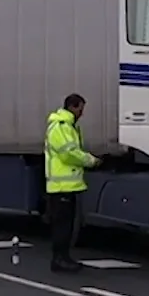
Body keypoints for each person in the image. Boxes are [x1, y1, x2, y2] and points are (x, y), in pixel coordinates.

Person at [43, 93, 99, 273]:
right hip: (61, 187)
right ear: (72, 107)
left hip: (67, 186)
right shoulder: (60, 127)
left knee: (66, 226)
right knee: (62, 226)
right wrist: (90, 161)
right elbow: (69, 154)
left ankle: (63, 258)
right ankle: (59, 260)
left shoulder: (69, 126)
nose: (82, 113)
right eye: (80, 109)